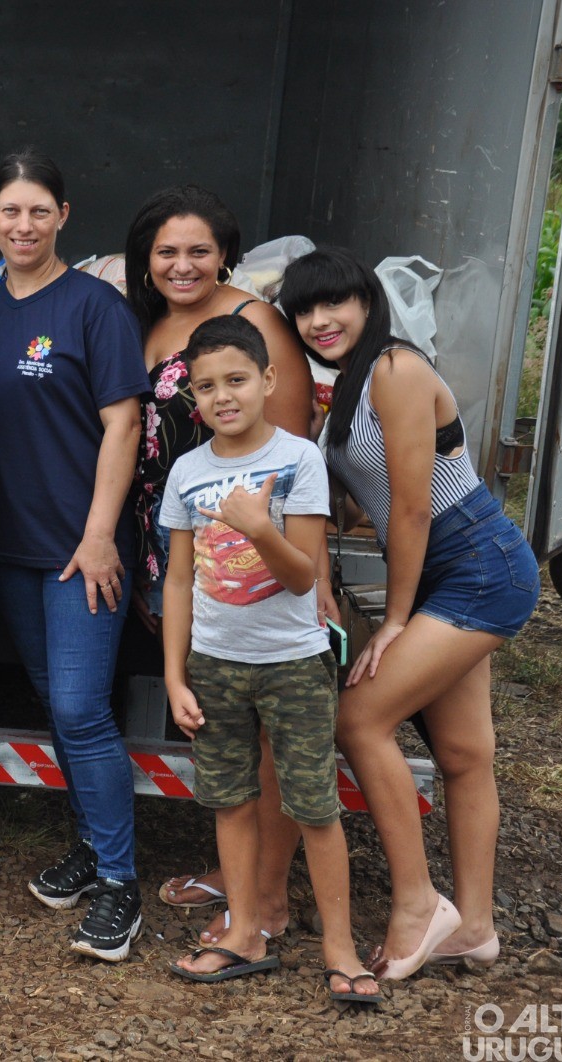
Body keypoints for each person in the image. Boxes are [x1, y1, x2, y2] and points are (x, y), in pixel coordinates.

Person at [280, 246, 538, 979]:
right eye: (305, 309)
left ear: (368, 303)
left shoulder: (395, 369)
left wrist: (394, 620)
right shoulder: (350, 383)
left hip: (476, 564)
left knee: (360, 718)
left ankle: (419, 903)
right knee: (462, 754)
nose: (320, 320)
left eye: (335, 302)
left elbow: (415, 508)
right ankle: (475, 929)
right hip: (440, 571)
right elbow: (371, 497)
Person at [0, 151, 151, 962]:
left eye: (40, 210)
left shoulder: (95, 307)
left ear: (63, 217)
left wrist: (100, 534)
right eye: (10, 210)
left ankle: (119, 882)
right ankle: (93, 843)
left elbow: (124, 424)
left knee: (80, 709)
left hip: (82, 550)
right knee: (54, 701)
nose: (24, 225)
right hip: (12, 547)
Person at [159, 315, 378, 1003]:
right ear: (192, 396)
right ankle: (245, 931)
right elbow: (178, 581)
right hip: (214, 665)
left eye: (236, 380)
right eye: (206, 387)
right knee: (230, 800)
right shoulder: (188, 471)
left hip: (293, 664)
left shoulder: (299, 459)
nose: (222, 396)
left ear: (269, 380)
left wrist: (259, 527)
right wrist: (174, 675)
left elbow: (303, 577)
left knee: (314, 806)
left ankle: (340, 947)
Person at [127, 186, 317, 943]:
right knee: (225, 722)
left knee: (267, 738)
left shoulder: (254, 322)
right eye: (167, 252)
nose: (183, 265)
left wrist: (306, 576)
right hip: (170, 543)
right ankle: (239, 875)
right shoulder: (147, 322)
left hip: (249, 557)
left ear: (226, 256)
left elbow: (291, 457)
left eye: (199, 251)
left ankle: (266, 899)